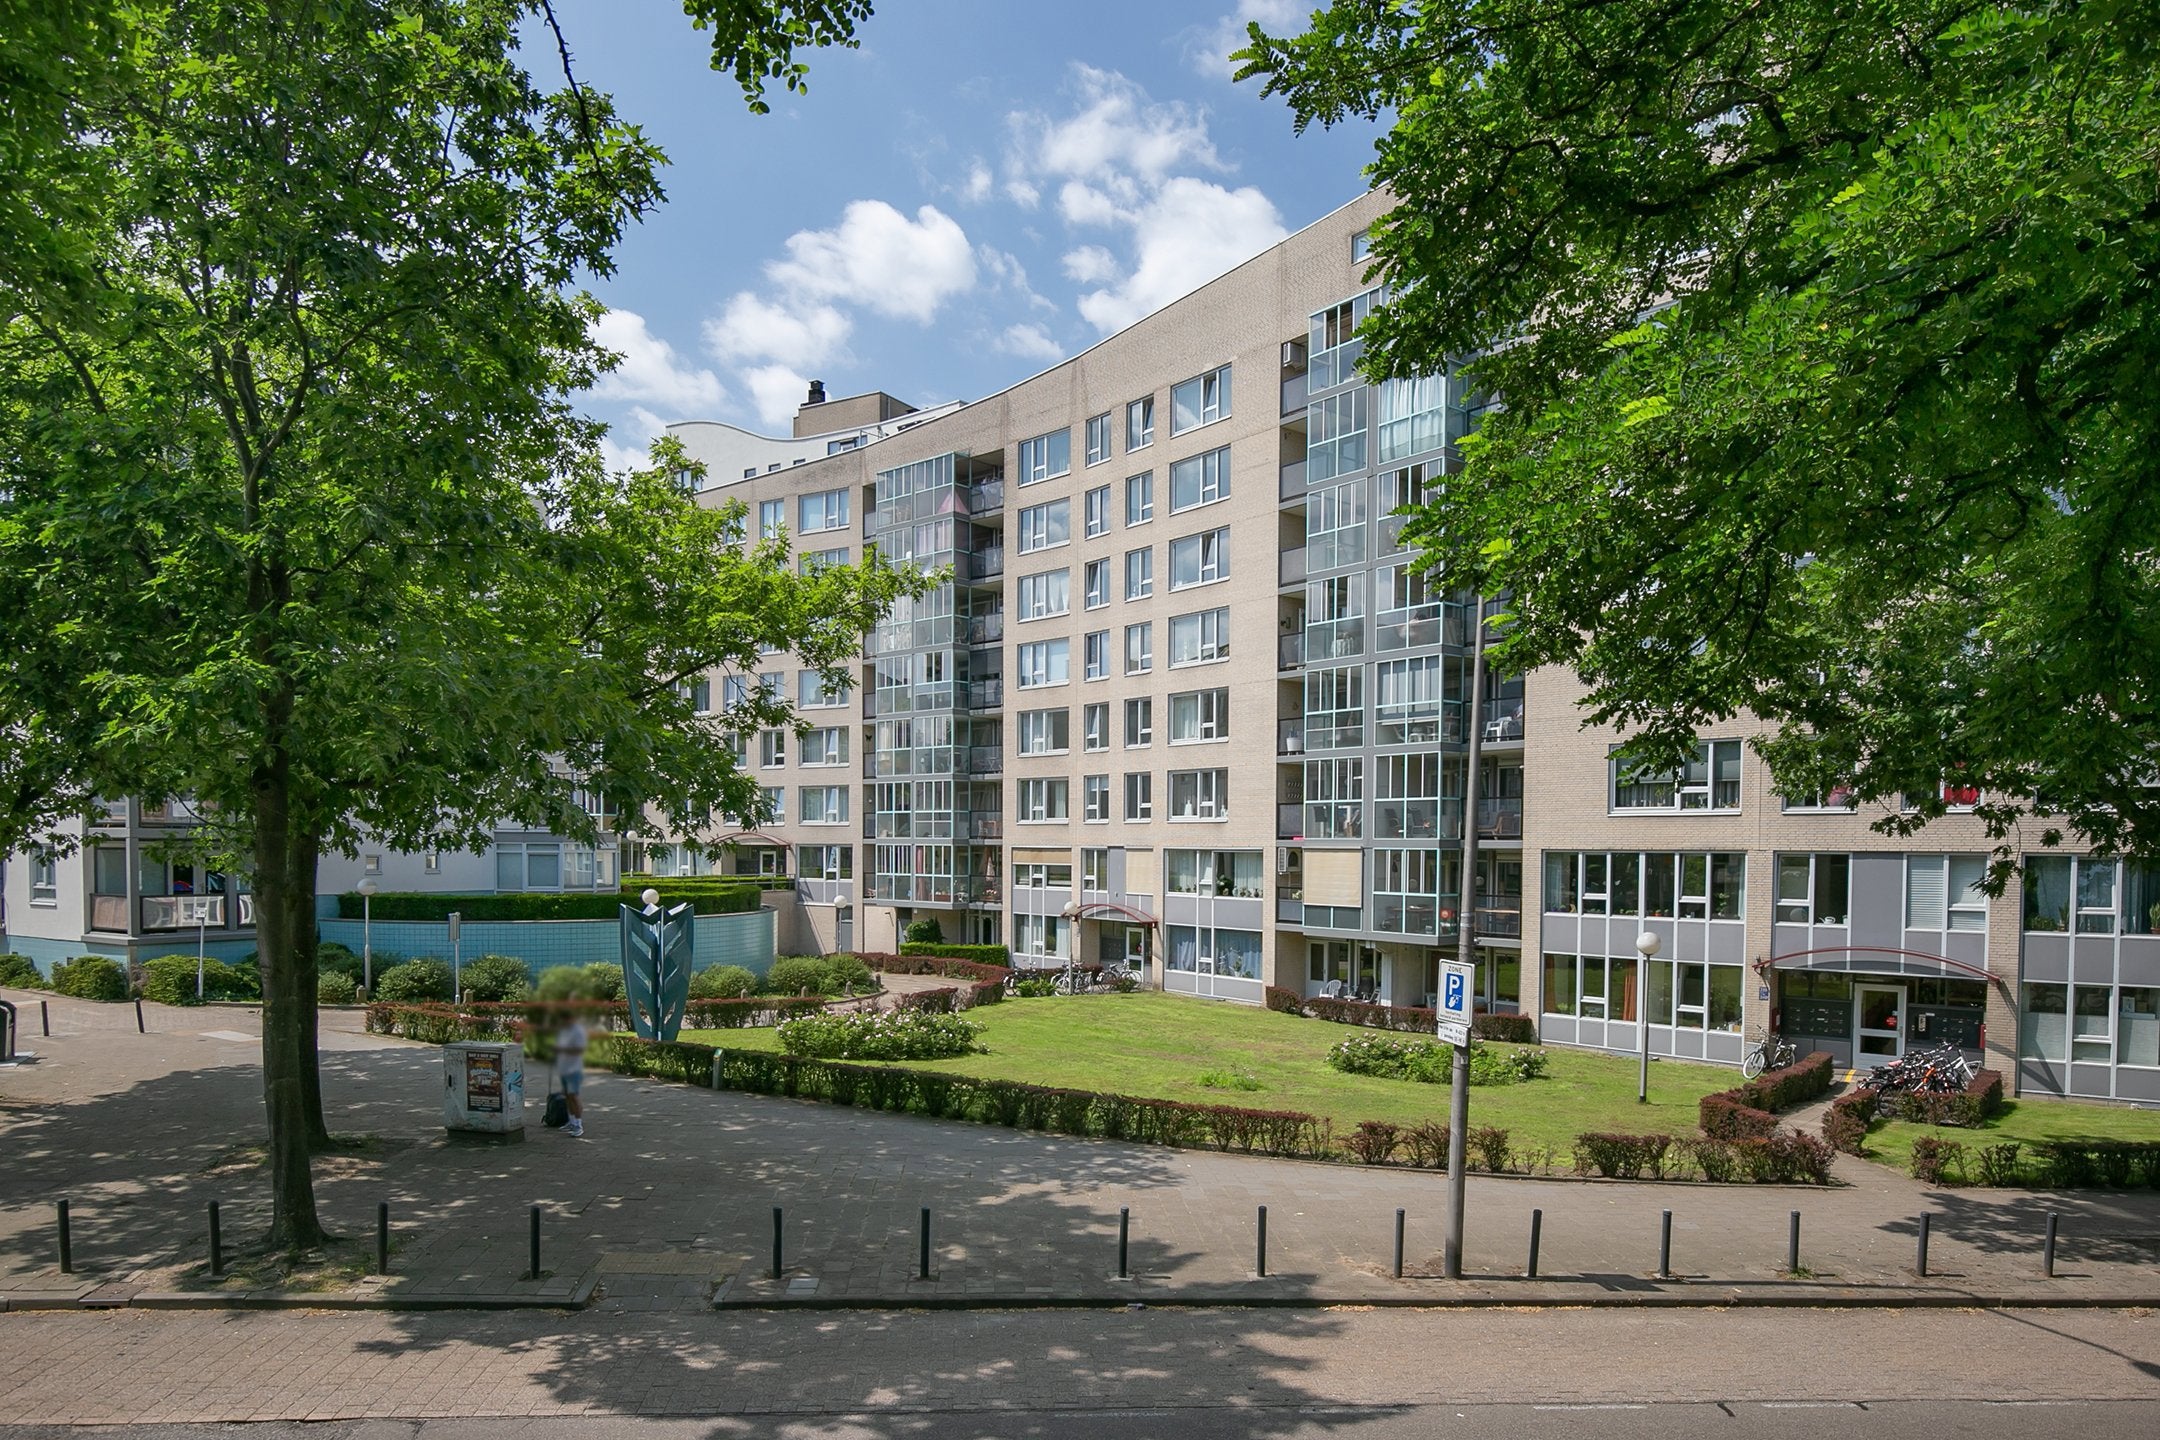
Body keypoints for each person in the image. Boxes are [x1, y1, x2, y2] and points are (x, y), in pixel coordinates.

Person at [555, 1014, 587, 1138]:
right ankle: (571, 1121)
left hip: (574, 1068)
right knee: (567, 1094)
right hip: (564, 1067)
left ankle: (578, 1125)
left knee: (573, 1095)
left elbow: (579, 1050)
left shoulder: (577, 1031)